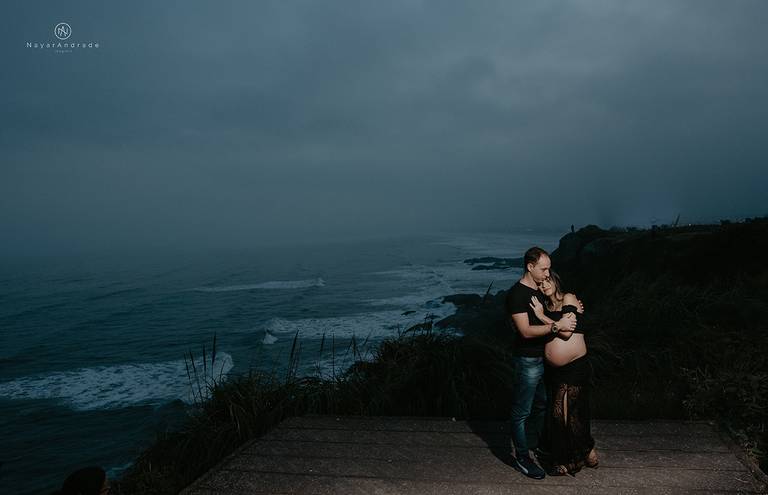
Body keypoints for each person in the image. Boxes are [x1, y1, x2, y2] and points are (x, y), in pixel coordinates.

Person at [506, 247, 577, 479]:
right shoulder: (517, 294)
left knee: (541, 406)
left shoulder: (539, 290)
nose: (548, 273)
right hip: (527, 361)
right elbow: (525, 331)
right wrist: (557, 326)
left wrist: (573, 306)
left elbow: (557, 302)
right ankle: (523, 458)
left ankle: (535, 447)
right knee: (521, 411)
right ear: (530, 266)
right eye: (544, 269)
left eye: (548, 268)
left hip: (543, 361)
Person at [530, 270, 598, 475]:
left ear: (555, 280)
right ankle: (581, 452)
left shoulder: (568, 297)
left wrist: (541, 315)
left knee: (571, 413)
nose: (544, 285)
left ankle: (573, 459)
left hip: (575, 366)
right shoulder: (548, 307)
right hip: (555, 371)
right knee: (559, 414)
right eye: (541, 283)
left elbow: (567, 331)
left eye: (547, 280)